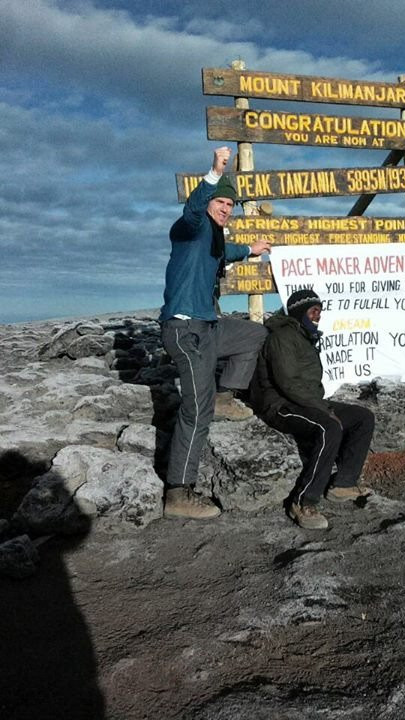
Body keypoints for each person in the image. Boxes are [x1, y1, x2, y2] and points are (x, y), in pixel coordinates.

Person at [160, 146, 271, 519]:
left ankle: (226, 395)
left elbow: (225, 252)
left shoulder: (215, 238)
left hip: (209, 327)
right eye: (221, 202)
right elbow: (192, 210)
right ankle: (178, 493)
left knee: (254, 336)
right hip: (184, 330)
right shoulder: (190, 229)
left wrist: (252, 249)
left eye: (230, 204)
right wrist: (214, 171)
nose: (226, 208)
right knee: (196, 408)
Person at [250, 290, 375, 530]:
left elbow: (305, 385)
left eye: (320, 310)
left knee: (362, 417)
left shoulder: (303, 335)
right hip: (279, 405)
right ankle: (302, 501)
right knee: (329, 427)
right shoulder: (283, 337)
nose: (318, 315)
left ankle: (343, 483)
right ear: (300, 312)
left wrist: (322, 405)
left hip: (304, 400)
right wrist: (324, 410)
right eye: (313, 310)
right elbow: (288, 383)